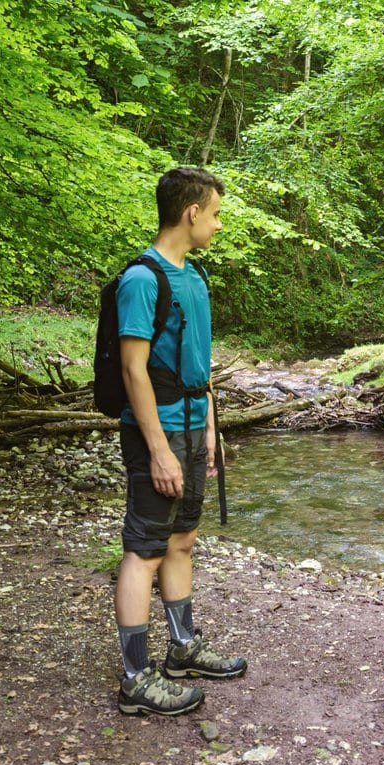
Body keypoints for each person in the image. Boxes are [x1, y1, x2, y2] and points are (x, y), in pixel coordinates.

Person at [115, 167, 247, 717]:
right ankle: (133, 677)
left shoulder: (195, 278)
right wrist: (160, 447)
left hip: (195, 422)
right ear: (192, 212)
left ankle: (182, 648)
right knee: (143, 549)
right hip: (160, 428)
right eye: (215, 214)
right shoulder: (142, 280)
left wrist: (211, 425)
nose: (217, 225)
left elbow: (201, 364)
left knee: (182, 539)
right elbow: (132, 370)